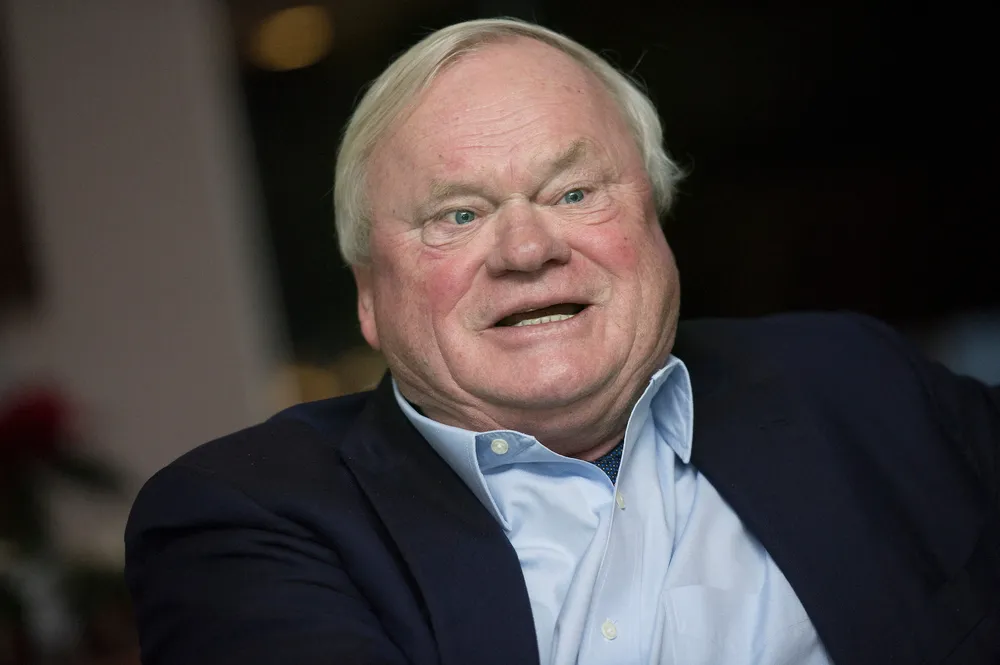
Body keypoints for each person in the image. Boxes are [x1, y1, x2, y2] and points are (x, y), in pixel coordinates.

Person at [124, 18, 1000, 665]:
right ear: (369, 298)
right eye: (457, 214)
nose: (528, 248)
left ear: (655, 222)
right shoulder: (245, 520)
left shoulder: (857, 381)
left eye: (574, 193)